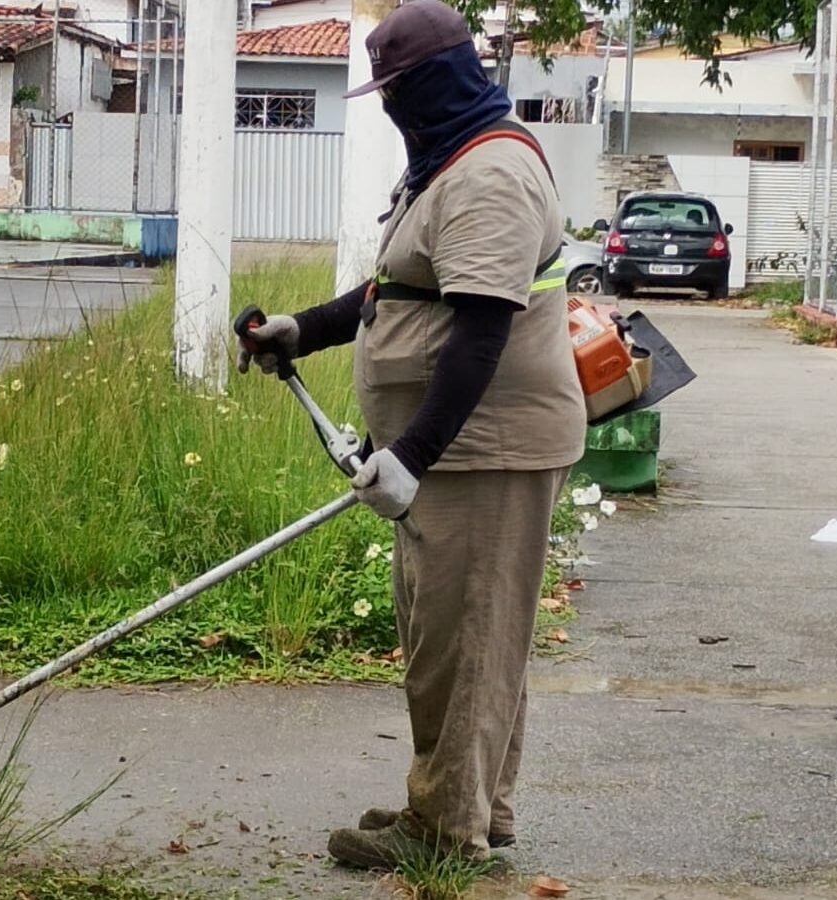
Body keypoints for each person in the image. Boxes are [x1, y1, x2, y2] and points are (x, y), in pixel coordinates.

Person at [237, 0, 586, 870]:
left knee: (462, 644)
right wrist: (302, 330)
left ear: (433, 83)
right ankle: (469, 809)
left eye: (396, 90)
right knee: (461, 640)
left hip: (483, 450)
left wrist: (412, 457)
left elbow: (479, 330)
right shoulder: (450, 160)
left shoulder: (489, 174)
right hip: (457, 453)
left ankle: (445, 832)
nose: (390, 108)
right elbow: (398, 288)